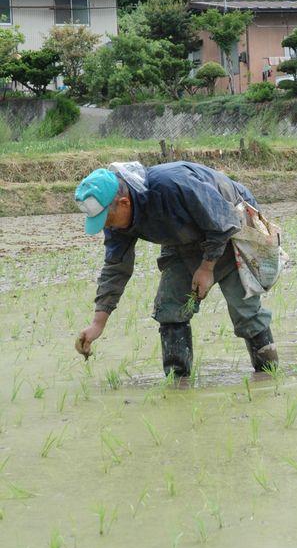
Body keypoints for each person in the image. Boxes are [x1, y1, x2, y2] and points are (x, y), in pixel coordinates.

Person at [74, 160, 278, 383]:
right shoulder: (117, 221)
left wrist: (207, 267)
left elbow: (223, 222)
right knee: (170, 308)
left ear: (123, 203)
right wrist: (98, 323)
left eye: (107, 220)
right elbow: (116, 267)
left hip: (229, 228)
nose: (107, 227)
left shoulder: (172, 185)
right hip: (181, 238)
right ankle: (178, 382)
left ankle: (269, 374)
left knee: (245, 311)